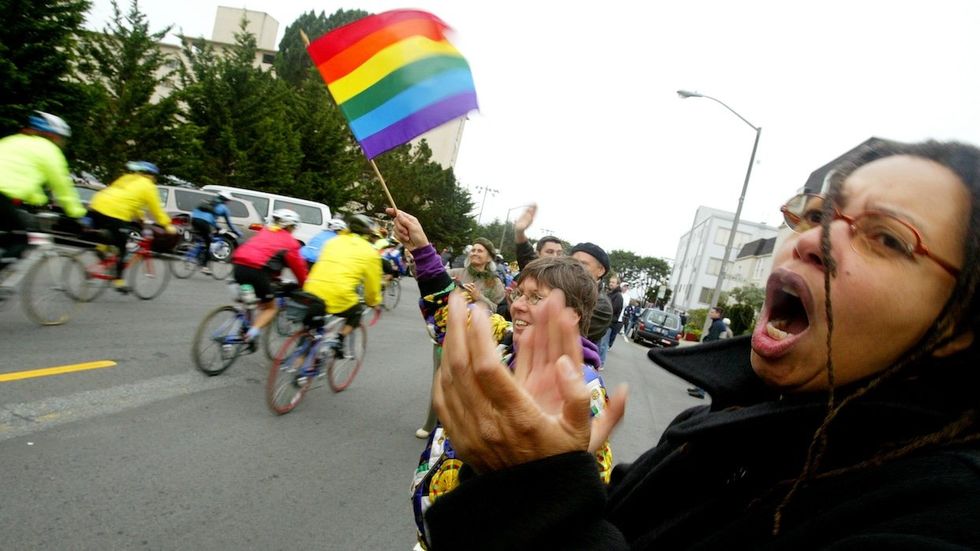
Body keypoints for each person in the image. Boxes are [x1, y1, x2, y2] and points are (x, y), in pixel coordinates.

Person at [415, 139, 980, 549]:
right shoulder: (723, 427)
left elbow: (559, 514)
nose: (815, 240)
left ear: (960, 326)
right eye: (818, 215)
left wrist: (531, 489)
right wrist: (524, 476)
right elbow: (598, 511)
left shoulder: (940, 515)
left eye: (886, 237)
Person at [385, 207, 612, 550]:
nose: (519, 305)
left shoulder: (583, 393)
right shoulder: (504, 342)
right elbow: (451, 310)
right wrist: (421, 247)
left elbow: (578, 499)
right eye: (519, 293)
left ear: (571, 316)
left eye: (537, 298)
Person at [0, 111, 86, 261]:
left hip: (5, 197)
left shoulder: (9, 140)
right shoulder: (49, 150)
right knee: (21, 239)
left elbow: (18, 177)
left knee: (10, 235)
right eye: (60, 137)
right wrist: (76, 214)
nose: (60, 141)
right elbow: (62, 186)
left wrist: (38, 199)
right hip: (3, 197)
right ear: (51, 134)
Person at [87, 161, 176, 293]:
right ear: (151, 175)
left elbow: (129, 200)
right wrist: (167, 225)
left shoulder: (126, 178)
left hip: (96, 206)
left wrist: (140, 217)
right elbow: (156, 210)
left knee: (112, 236)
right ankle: (118, 281)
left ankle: (101, 248)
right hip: (115, 213)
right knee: (123, 248)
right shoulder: (149, 186)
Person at [303, 214, 382, 358]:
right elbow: (372, 287)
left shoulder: (333, 241)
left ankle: (299, 363)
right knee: (356, 311)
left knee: (312, 329)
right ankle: (339, 340)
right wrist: (373, 302)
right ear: (368, 232)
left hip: (311, 288)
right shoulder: (370, 252)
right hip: (338, 294)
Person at [230, 209, 308, 349]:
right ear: (290, 226)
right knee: (271, 308)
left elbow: (268, 257)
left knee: (252, 299)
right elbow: (299, 269)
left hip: (238, 266)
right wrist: (304, 285)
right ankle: (250, 335)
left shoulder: (265, 232)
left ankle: (243, 322)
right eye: (294, 226)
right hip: (257, 271)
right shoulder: (291, 243)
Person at [570, 242, 614, 348]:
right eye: (573, 263)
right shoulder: (562, 287)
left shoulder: (602, 306)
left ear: (600, 271)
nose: (576, 268)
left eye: (583, 264)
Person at [448, 237, 506, 313]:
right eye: (473, 250)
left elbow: (498, 310)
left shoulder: (495, 282)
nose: (475, 253)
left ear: (489, 258)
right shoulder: (454, 273)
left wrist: (478, 297)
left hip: (478, 323)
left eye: (480, 251)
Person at [189, 190, 241, 274]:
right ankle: (204, 267)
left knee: (201, 238)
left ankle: (193, 249)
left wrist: (216, 226)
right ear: (226, 200)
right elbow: (229, 223)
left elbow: (209, 218)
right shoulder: (224, 208)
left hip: (194, 220)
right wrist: (238, 232)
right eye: (228, 201)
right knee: (209, 243)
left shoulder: (207, 202)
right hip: (204, 223)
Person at [513, 203, 564, 270]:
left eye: (559, 253)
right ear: (538, 254)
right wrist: (520, 231)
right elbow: (525, 250)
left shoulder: (568, 276)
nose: (555, 256)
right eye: (550, 252)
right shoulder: (532, 270)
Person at [606, 276, 626, 351]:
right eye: (610, 282)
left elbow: (612, 309)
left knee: (603, 345)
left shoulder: (618, 296)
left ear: (617, 284)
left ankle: (600, 362)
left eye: (613, 282)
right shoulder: (610, 293)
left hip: (609, 323)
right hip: (605, 322)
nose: (611, 283)